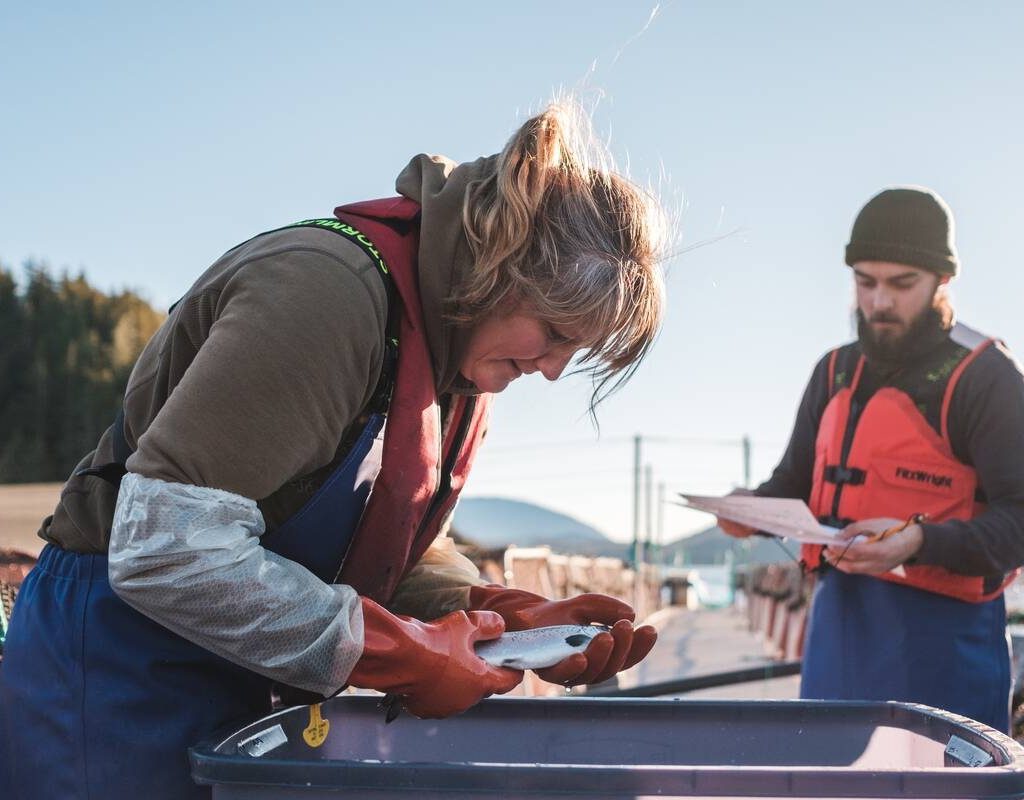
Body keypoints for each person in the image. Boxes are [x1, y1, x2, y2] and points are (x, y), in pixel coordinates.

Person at [0, 104, 665, 799]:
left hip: (248, 687)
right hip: (116, 674)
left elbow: (373, 543)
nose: (554, 370)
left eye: (575, 352)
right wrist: (396, 655)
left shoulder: (461, 370)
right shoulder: (326, 294)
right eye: (553, 331)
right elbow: (166, 549)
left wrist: (492, 615)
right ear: (501, 265)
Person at [719, 186, 1024, 732]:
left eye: (902, 284)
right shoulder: (833, 371)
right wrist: (748, 511)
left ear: (943, 280)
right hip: (838, 634)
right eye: (866, 282)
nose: (880, 302)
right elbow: (793, 485)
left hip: (949, 648)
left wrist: (919, 541)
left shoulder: (988, 379)